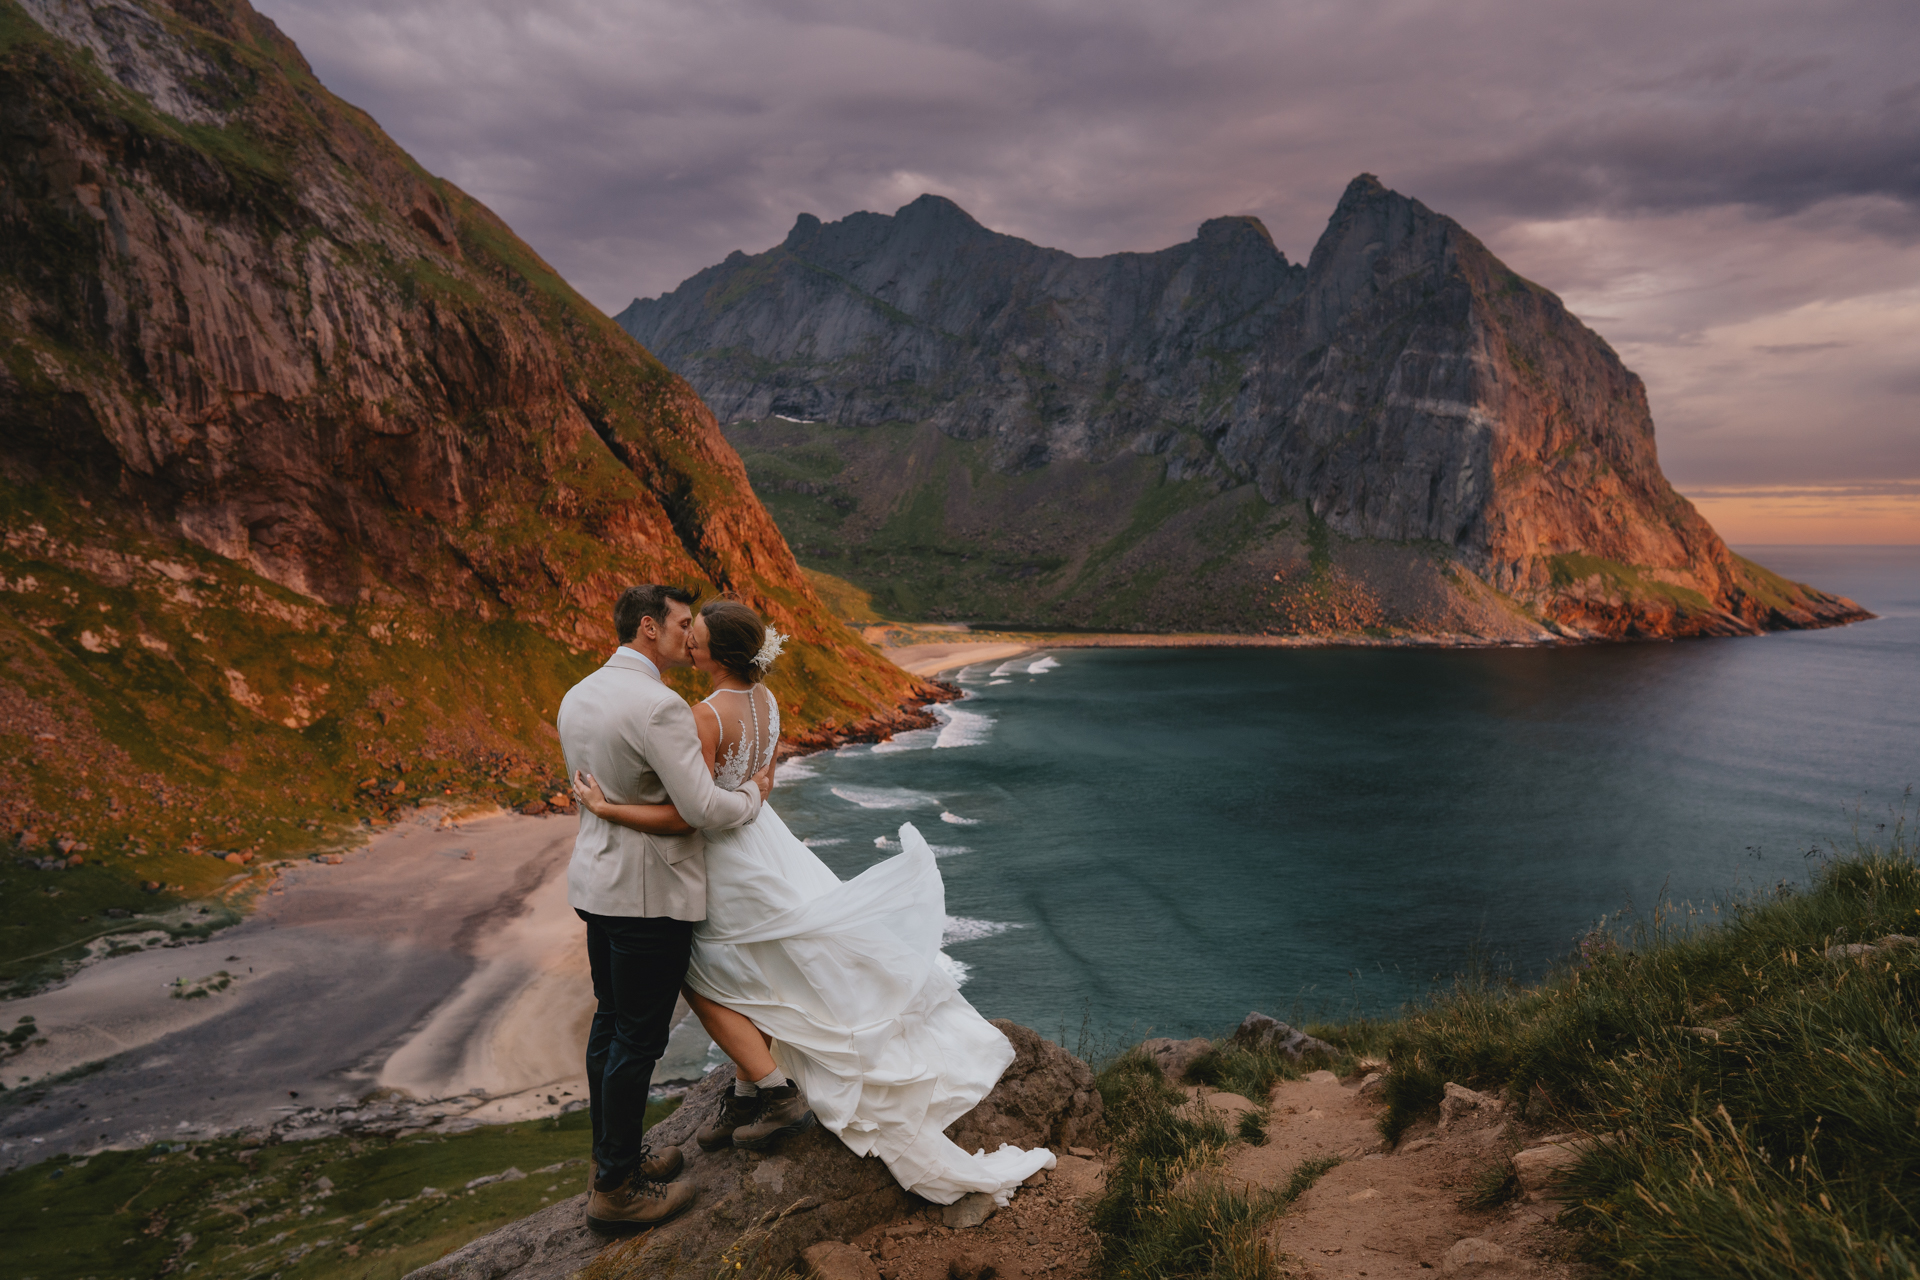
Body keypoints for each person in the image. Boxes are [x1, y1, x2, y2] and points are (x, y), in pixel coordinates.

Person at [573, 597, 1056, 1208]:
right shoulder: (766, 703)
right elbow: (762, 780)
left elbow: (690, 815)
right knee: (776, 961)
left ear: (719, 653)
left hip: (721, 856)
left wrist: (611, 809)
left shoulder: (701, 715)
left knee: (704, 972)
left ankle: (769, 1087)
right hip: (767, 846)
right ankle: (756, 1085)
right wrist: (750, 794)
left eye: (694, 636)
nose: (687, 642)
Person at [555, 585, 773, 1236]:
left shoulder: (578, 694)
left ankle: (611, 1162)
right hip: (650, 897)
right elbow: (700, 812)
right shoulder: (660, 707)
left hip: (597, 886)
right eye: (681, 623)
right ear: (648, 627)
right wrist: (754, 798)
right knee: (639, 1042)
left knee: (610, 1027)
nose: (689, 634)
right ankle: (617, 1191)